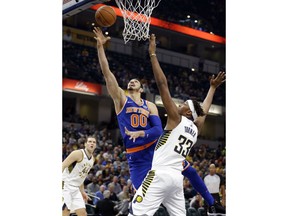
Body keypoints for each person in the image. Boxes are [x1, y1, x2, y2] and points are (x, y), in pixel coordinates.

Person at [93, 27, 224, 213]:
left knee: (140, 207)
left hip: (156, 158)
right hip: (144, 159)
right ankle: (211, 202)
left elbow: (157, 127)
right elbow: (107, 74)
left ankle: (210, 201)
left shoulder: (155, 108)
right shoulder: (122, 100)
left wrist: (153, 53)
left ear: (141, 88)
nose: (178, 105)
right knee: (174, 181)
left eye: (136, 81)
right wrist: (100, 48)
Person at [128, 34, 226, 216]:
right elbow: (203, 110)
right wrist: (212, 88)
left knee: (136, 212)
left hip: (159, 175)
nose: (179, 105)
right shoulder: (195, 129)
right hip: (175, 180)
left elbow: (162, 85)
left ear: (188, 112)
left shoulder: (176, 119)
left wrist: (153, 55)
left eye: (183, 105)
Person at [62, 135, 97, 216]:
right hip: (66, 184)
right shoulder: (77, 153)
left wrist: (82, 191)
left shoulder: (92, 159)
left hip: (76, 188)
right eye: (90, 141)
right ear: (85, 144)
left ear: (95, 145)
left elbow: (82, 177)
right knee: (66, 210)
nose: (92, 143)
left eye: (94, 142)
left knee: (83, 213)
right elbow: (62, 165)